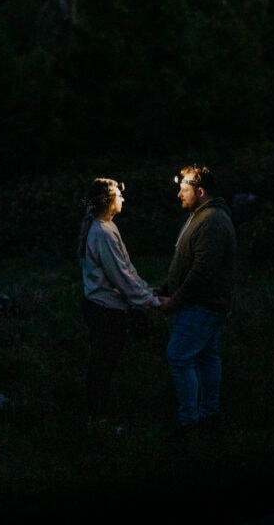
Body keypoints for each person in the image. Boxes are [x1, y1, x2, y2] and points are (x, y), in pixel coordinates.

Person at [157, 163, 237, 431]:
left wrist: (175, 300)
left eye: (183, 189)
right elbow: (185, 260)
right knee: (205, 356)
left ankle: (190, 420)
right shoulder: (200, 216)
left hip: (202, 304)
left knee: (179, 356)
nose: (179, 194)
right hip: (203, 303)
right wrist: (165, 289)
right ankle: (208, 414)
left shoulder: (212, 220)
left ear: (200, 191)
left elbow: (201, 270)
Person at [77, 176, 161, 427]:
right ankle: (97, 419)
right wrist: (151, 301)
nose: (123, 198)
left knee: (105, 363)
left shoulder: (108, 227)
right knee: (102, 364)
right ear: (108, 201)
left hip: (107, 308)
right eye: (119, 194)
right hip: (104, 309)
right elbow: (120, 275)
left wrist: (147, 291)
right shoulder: (102, 231)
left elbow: (126, 268)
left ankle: (98, 415)